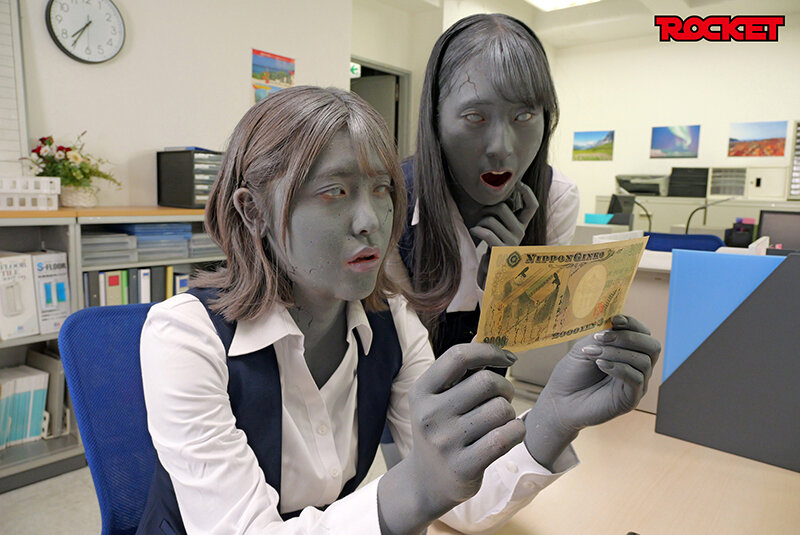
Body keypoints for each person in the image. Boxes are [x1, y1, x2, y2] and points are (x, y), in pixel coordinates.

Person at [395, 13, 580, 355]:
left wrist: (505, 284)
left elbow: (527, 349)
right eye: (475, 117)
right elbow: (401, 355)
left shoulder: (556, 196)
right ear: (435, 117)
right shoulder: (392, 196)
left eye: (524, 116)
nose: (501, 148)